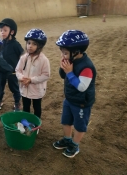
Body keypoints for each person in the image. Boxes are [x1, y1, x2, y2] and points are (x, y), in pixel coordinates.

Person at [52, 30, 96, 158]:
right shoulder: (71, 60)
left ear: (76, 51)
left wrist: (70, 73)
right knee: (66, 120)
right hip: (70, 98)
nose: (63, 55)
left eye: (65, 53)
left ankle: (75, 145)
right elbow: (62, 76)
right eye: (62, 52)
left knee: (79, 125)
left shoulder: (86, 67)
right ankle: (67, 139)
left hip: (81, 102)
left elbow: (82, 87)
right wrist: (63, 67)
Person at [16, 29, 50, 118]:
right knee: (26, 107)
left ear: (40, 46)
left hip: (37, 90)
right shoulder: (23, 58)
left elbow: (46, 75)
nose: (30, 46)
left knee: (36, 107)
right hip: (24, 88)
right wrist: (21, 78)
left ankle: (36, 124)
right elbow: (18, 70)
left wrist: (31, 80)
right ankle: (26, 122)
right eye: (29, 43)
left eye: (34, 44)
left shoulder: (44, 60)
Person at [0, 18, 24, 111]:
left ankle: (17, 103)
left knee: (14, 88)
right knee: (0, 87)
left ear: (12, 32)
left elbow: (23, 56)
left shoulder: (16, 45)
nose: (2, 32)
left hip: (12, 72)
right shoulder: (0, 44)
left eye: (5, 30)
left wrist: (21, 69)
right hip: (2, 71)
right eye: (1, 30)